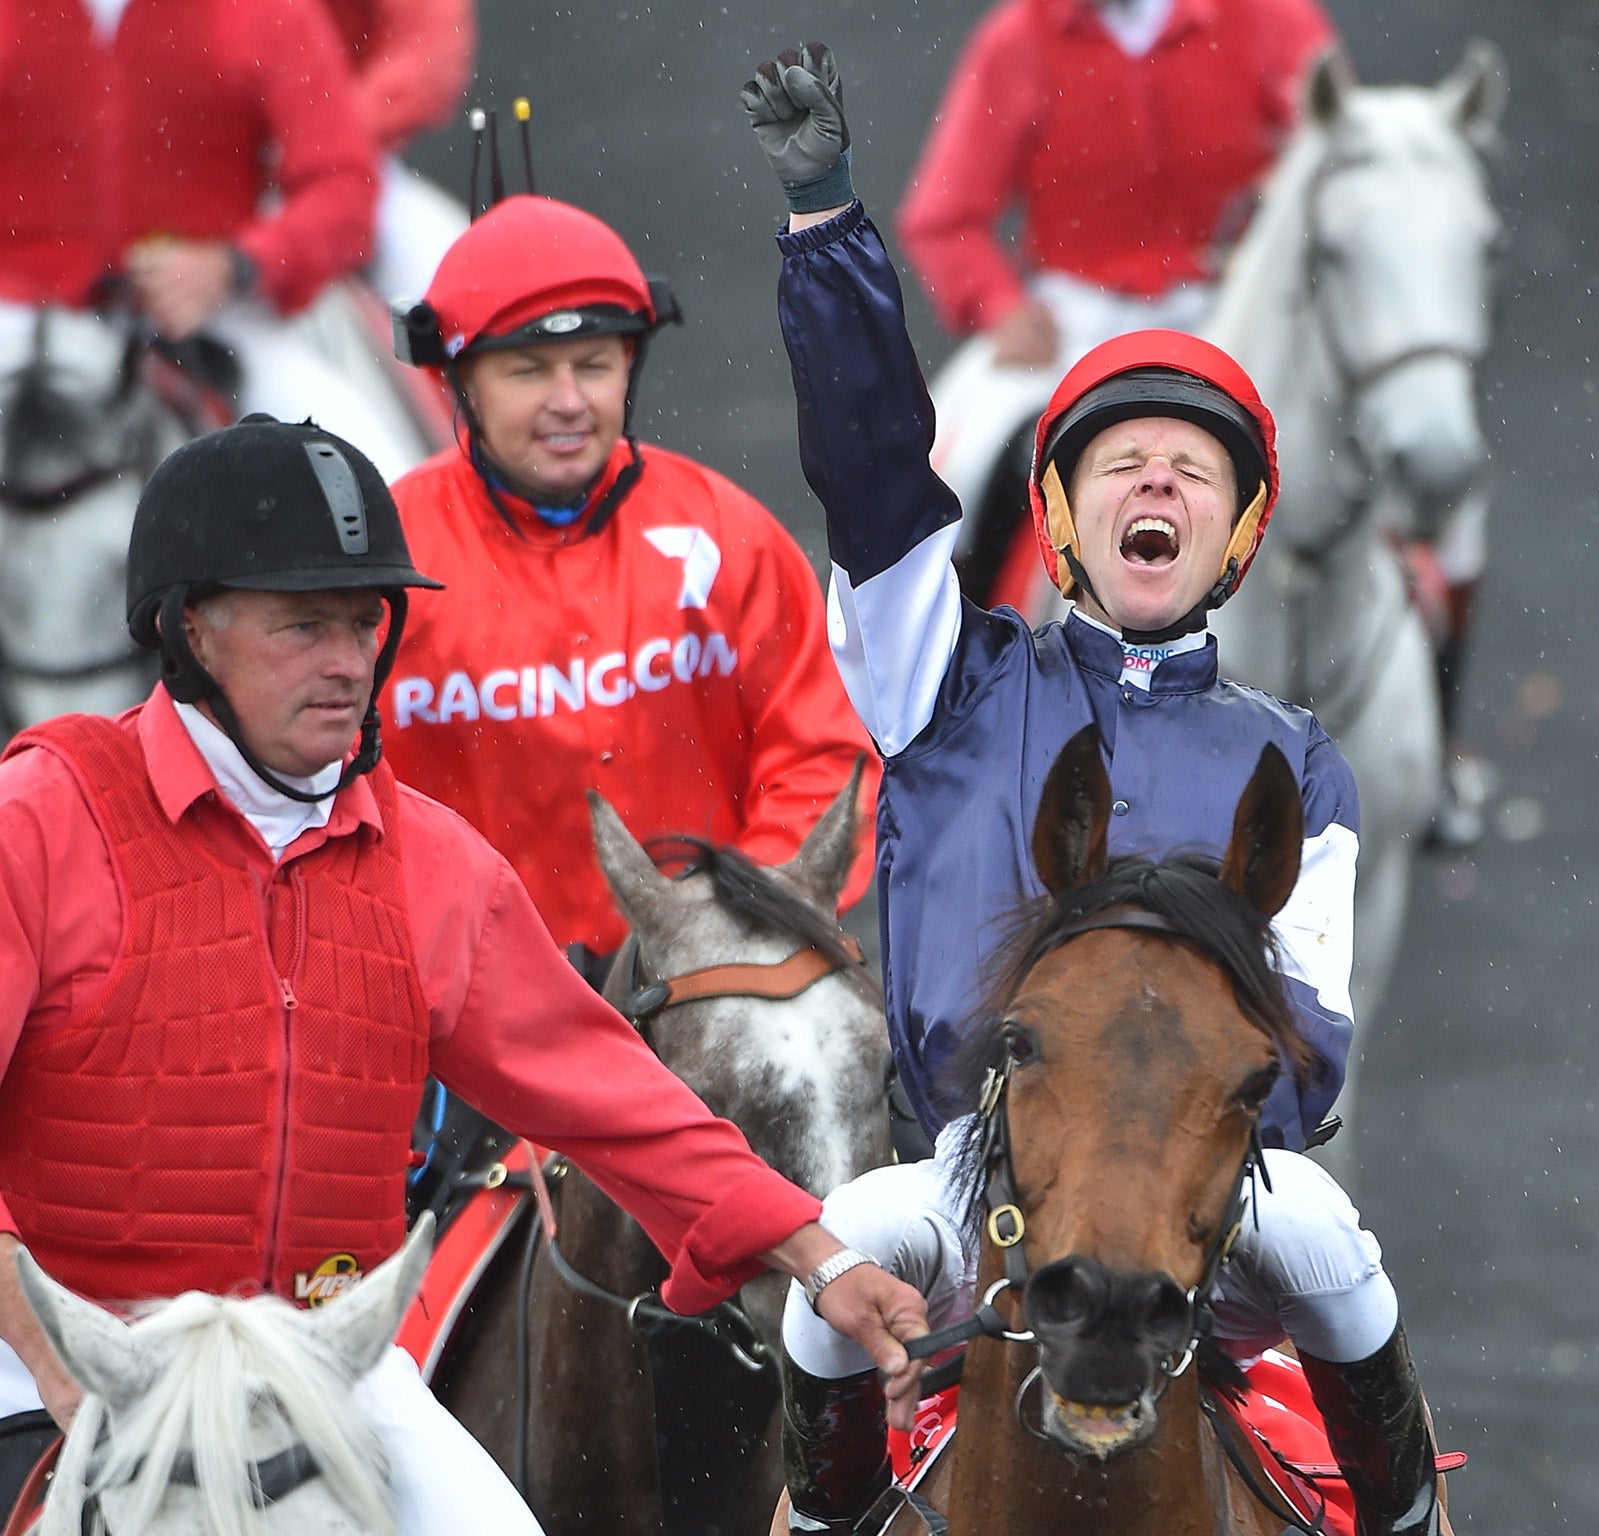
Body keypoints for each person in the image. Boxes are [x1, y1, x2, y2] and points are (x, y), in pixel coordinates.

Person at [744, 46, 1440, 1536]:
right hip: (971, 1169)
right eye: (1122, 464)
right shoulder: (944, 683)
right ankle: (833, 1519)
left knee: (1341, 1259)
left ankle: (1407, 1522)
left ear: (1239, 533)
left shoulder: (1297, 757)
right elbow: (871, 472)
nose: (1157, 491)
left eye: (1195, 474)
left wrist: (1189, 1101)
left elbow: (1312, 1040)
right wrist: (825, 225)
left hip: (1210, 1179)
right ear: (1060, 514)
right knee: (835, 1252)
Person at [0, 418, 928, 1534]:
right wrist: (59, 1362)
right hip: (60, 1348)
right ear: (190, 627)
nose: (348, 661)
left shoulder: (429, 860)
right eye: (304, 626)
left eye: (362, 623)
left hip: (324, 1351)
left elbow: (612, 1097)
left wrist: (817, 1254)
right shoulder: (40, 819)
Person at [383, 194, 880, 957]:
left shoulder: (727, 535)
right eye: (527, 372)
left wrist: (732, 919)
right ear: (461, 385)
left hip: (714, 975)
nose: (569, 402)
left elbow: (824, 757)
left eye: (593, 366)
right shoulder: (386, 561)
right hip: (461, 995)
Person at [0, 0, 421, 478]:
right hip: (18, 314)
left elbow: (344, 184)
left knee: (375, 477)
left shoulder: (258, 11)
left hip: (212, 320)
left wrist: (236, 265)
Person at [898, 0, 1335, 370]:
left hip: (1250, 312)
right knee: (959, 456)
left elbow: (1338, 160)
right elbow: (943, 218)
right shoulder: (1019, 38)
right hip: (1075, 331)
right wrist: (998, 306)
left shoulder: (1267, 16)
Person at [322, 0, 477, 303]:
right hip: (228, 180)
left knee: (462, 287)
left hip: (352, 168)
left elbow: (429, 58)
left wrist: (324, 137)